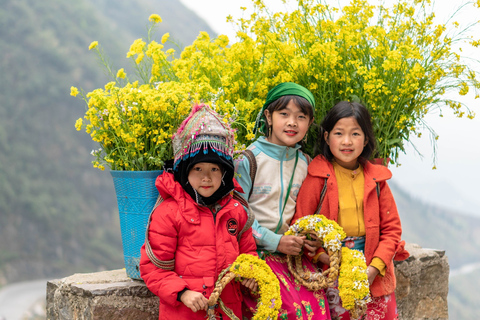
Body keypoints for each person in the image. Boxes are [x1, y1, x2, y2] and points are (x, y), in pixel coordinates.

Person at [140, 104, 258, 320]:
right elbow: (153, 268)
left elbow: (248, 254)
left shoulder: (236, 211)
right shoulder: (169, 213)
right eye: (198, 169)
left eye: (214, 169)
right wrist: (183, 293)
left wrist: (250, 274)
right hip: (185, 313)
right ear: (185, 172)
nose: (207, 177)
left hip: (228, 310)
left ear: (224, 173)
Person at [293, 101, 409, 319]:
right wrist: (327, 258)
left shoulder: (377, 180)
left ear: (365, 139)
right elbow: (301, 226)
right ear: (326, 137)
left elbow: (392, 231)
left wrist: (373, 269)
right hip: (330, 269)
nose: (347, 142)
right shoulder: (318, 178)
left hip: (373, 267)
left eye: (355, 134)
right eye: (339, 133)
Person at [235, 82, 331, 319]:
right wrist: (274, 241)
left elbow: (309, 213)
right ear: (268, 116)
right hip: (255, 255)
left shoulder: (306, 163)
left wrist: (312, 237)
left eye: (301, 117)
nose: (292, 122)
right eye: (284, 114)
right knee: (286, 312)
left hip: (293, 258)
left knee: (319, 310)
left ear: (309, 123)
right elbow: (237, 214)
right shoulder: (248, 160)